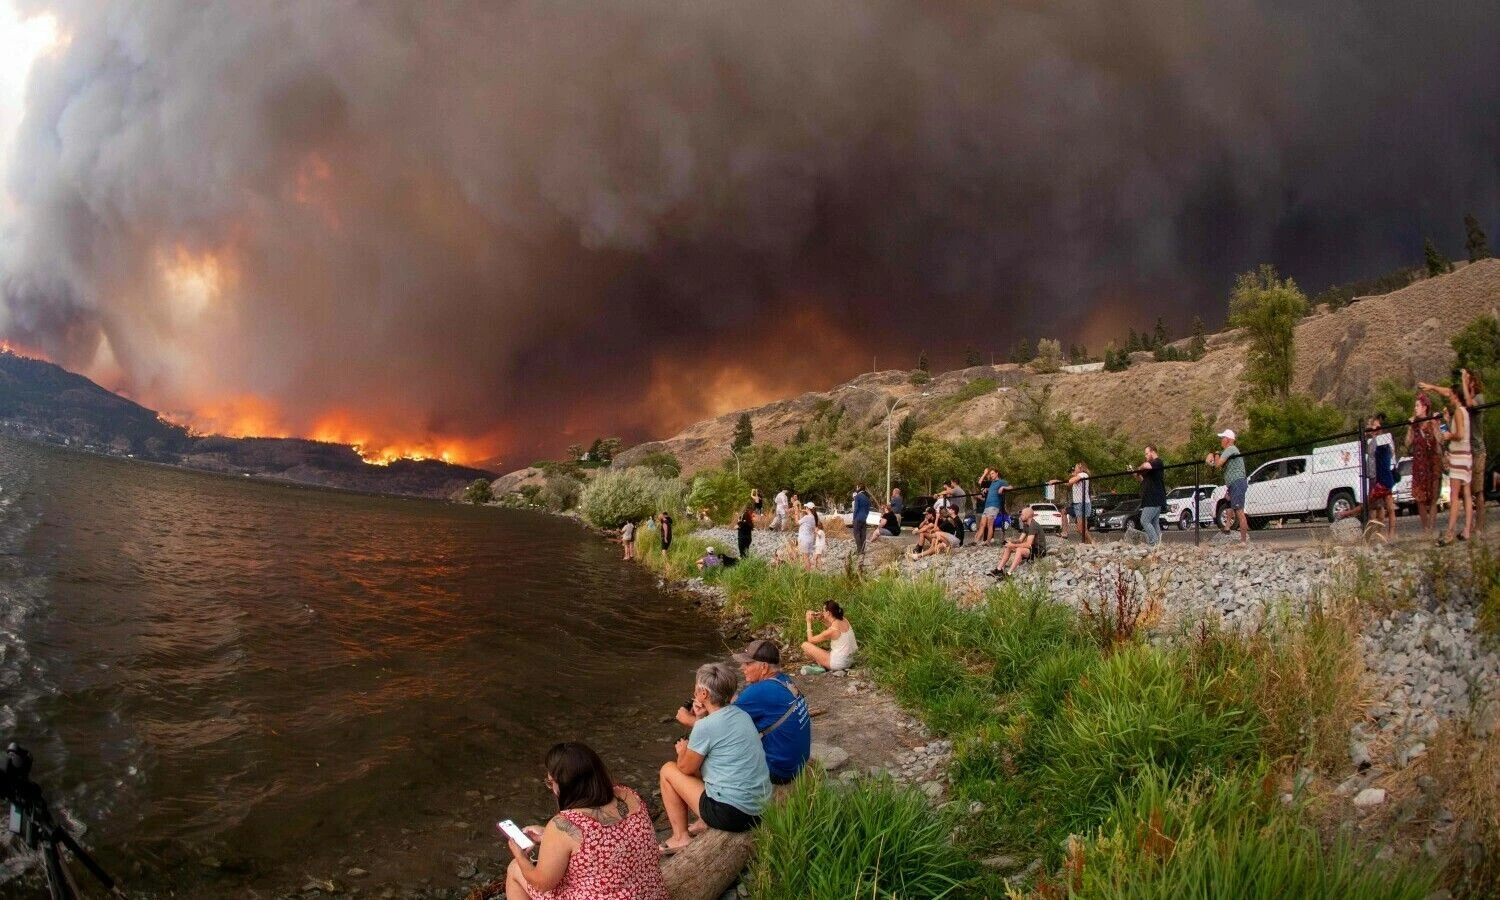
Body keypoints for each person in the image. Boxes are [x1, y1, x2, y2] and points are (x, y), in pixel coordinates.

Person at [502, 742, 667, 900]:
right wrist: (548, 837)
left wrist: (519, 855)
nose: (552, 788)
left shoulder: (564, 824)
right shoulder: (629, 795)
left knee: (515, 869)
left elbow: (542, 884)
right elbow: (605, 842)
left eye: (551, 782)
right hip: (651, 894)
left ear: (565, 785)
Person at [659, 663, 772, 852]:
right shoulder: (741, 714)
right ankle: (703, 821)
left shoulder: (705, 727)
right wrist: (701, 718)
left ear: (703, 694)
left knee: (668, 770)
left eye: (697, 689)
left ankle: (680, 838)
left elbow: (686, 768)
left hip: (734, 814)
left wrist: (682, 752)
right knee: (710, 762)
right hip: (760, 808)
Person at [678, 641, 811, 786]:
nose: (742, 668)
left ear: (764, 667)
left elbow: (720, 727)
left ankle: (711, 796)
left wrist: (690, 720)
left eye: (748, 664)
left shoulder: (760, 691)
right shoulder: (782, 681)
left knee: (705, 756)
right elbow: (736, 705)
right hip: (796, 763)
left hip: (779, 770)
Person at [1422, 378, 1474, 544]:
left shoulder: (1459, 411)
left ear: (1456, 396)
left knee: (1454, 495)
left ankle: (1449, 533)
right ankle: (1467, 529)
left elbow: (1458, 434)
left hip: (1459, 457)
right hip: (1466, 455)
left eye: (1451, 394)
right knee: (1466, 494)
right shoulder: (1464, 412)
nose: (1449, 396)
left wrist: (1448, 435)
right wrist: (1447, 421)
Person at [1407, 393, 1443, 538]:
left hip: (1432, 463)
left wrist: (1435, 425)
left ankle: (1431, 528)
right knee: (1419, 498)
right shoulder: (1415, 425)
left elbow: (1440, 440)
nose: (1415, 408)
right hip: (1419, 465)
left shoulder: (1432, 422)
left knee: (1433, 497)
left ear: (1424, 407)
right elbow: (1407, 443)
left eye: (1417, 406)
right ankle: (1426, 529)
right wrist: (1409, 427)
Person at [1207, 430, 1249, 544]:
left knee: (1239, 511)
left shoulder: (1230, 449)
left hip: (1237, 483)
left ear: (1229, 440)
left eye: (1223, 438)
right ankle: (1227, 527)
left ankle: (1243, 541)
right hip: (1233, 484)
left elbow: (1218, 464)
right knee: (1229, 501)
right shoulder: (1230, 451)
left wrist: (1214, 455)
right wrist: (1211, 460)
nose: (1221, 440)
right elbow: (1217, 465)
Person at [988, 506, 1045, 577]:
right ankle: (999, 569)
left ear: (1028, 515)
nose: (1020, 516)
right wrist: (1011, 542)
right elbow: (1020, 540)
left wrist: (1013, 545)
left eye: (1022, 514)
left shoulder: (1033, 525)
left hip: (1038, 551)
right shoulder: (1026, 525)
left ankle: (1009, 573)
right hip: (1031, 548)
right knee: (1009, 547)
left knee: (1019, 549)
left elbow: (1028, 544)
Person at [802, 601, 857, 672]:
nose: (822, 612)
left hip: (839, 663)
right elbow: (832, 624)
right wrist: (821, 618)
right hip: (851, 659)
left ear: (828, 613)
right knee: (825, 652)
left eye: (823, 611)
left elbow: (811, 640)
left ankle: (823, 667)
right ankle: (823, 665)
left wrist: (808, 622)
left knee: (805, 645)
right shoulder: (844, 620)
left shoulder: (832, 630)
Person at [1135, 446, 1165, 547]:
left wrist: (1140, 467)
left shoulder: (1157, 462)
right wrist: (1136, 474)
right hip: (1151, 499)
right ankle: (1159, 544)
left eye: (1147, 453)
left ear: (1152, 452)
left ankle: (1154, 542)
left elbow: (1147, 465)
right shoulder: (1151, 470)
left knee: (1144, 520)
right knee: (1154, 522)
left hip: (1154, 498)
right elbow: (1143, 480)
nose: (1146, 456)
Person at [797, 502, 819, 570]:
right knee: (807, 557)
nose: (804, 509)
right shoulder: (813, 517)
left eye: (805, 508)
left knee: (805, 557)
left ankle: (808, 572)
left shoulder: (807, 517)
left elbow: (797, 522)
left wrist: (796, 513)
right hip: (810, 539)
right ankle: (808, 571)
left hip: (804, 539)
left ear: (808, 508)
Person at [851, 483, 872, 555]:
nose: (856, 489)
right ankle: (862, 550)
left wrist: (854, 518)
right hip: (864, 518)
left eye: (857, 487)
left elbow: (856, 508)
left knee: (856, 533)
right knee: (863, 534)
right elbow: (868, 509)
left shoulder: (858, 496)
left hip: (858, 517)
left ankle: (859, 550)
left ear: (859, 488)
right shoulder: (867, 497)